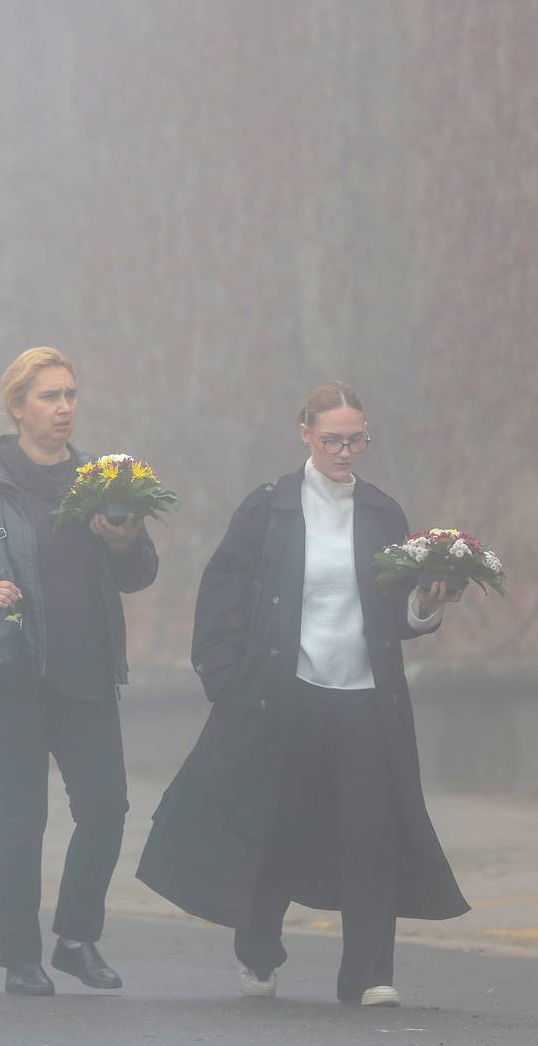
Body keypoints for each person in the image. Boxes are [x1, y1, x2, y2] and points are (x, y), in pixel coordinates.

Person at [137, 380, 469, 1006]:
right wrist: (223, 677)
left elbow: (397, 612)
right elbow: (223, 594)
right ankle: (259, 954)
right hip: (281, 697)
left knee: (372, 833)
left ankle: (370, 975)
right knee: (274, 828)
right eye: (332, 440)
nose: (345, 452)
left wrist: (427, 603)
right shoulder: (267, 509)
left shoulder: (382, 514)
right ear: (305, 433)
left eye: (356, 440)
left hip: (367, 700)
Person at [0, 347, 158, 995]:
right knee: (21, 817)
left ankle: (76, 938)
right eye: (49, 396)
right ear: (18, 406)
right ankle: (21, 958)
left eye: (70, 394)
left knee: (106, 808)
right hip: (5, 677)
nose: (64, 407)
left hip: (87, 674)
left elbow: (139, 573)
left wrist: (124, 539)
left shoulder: (105, 480)